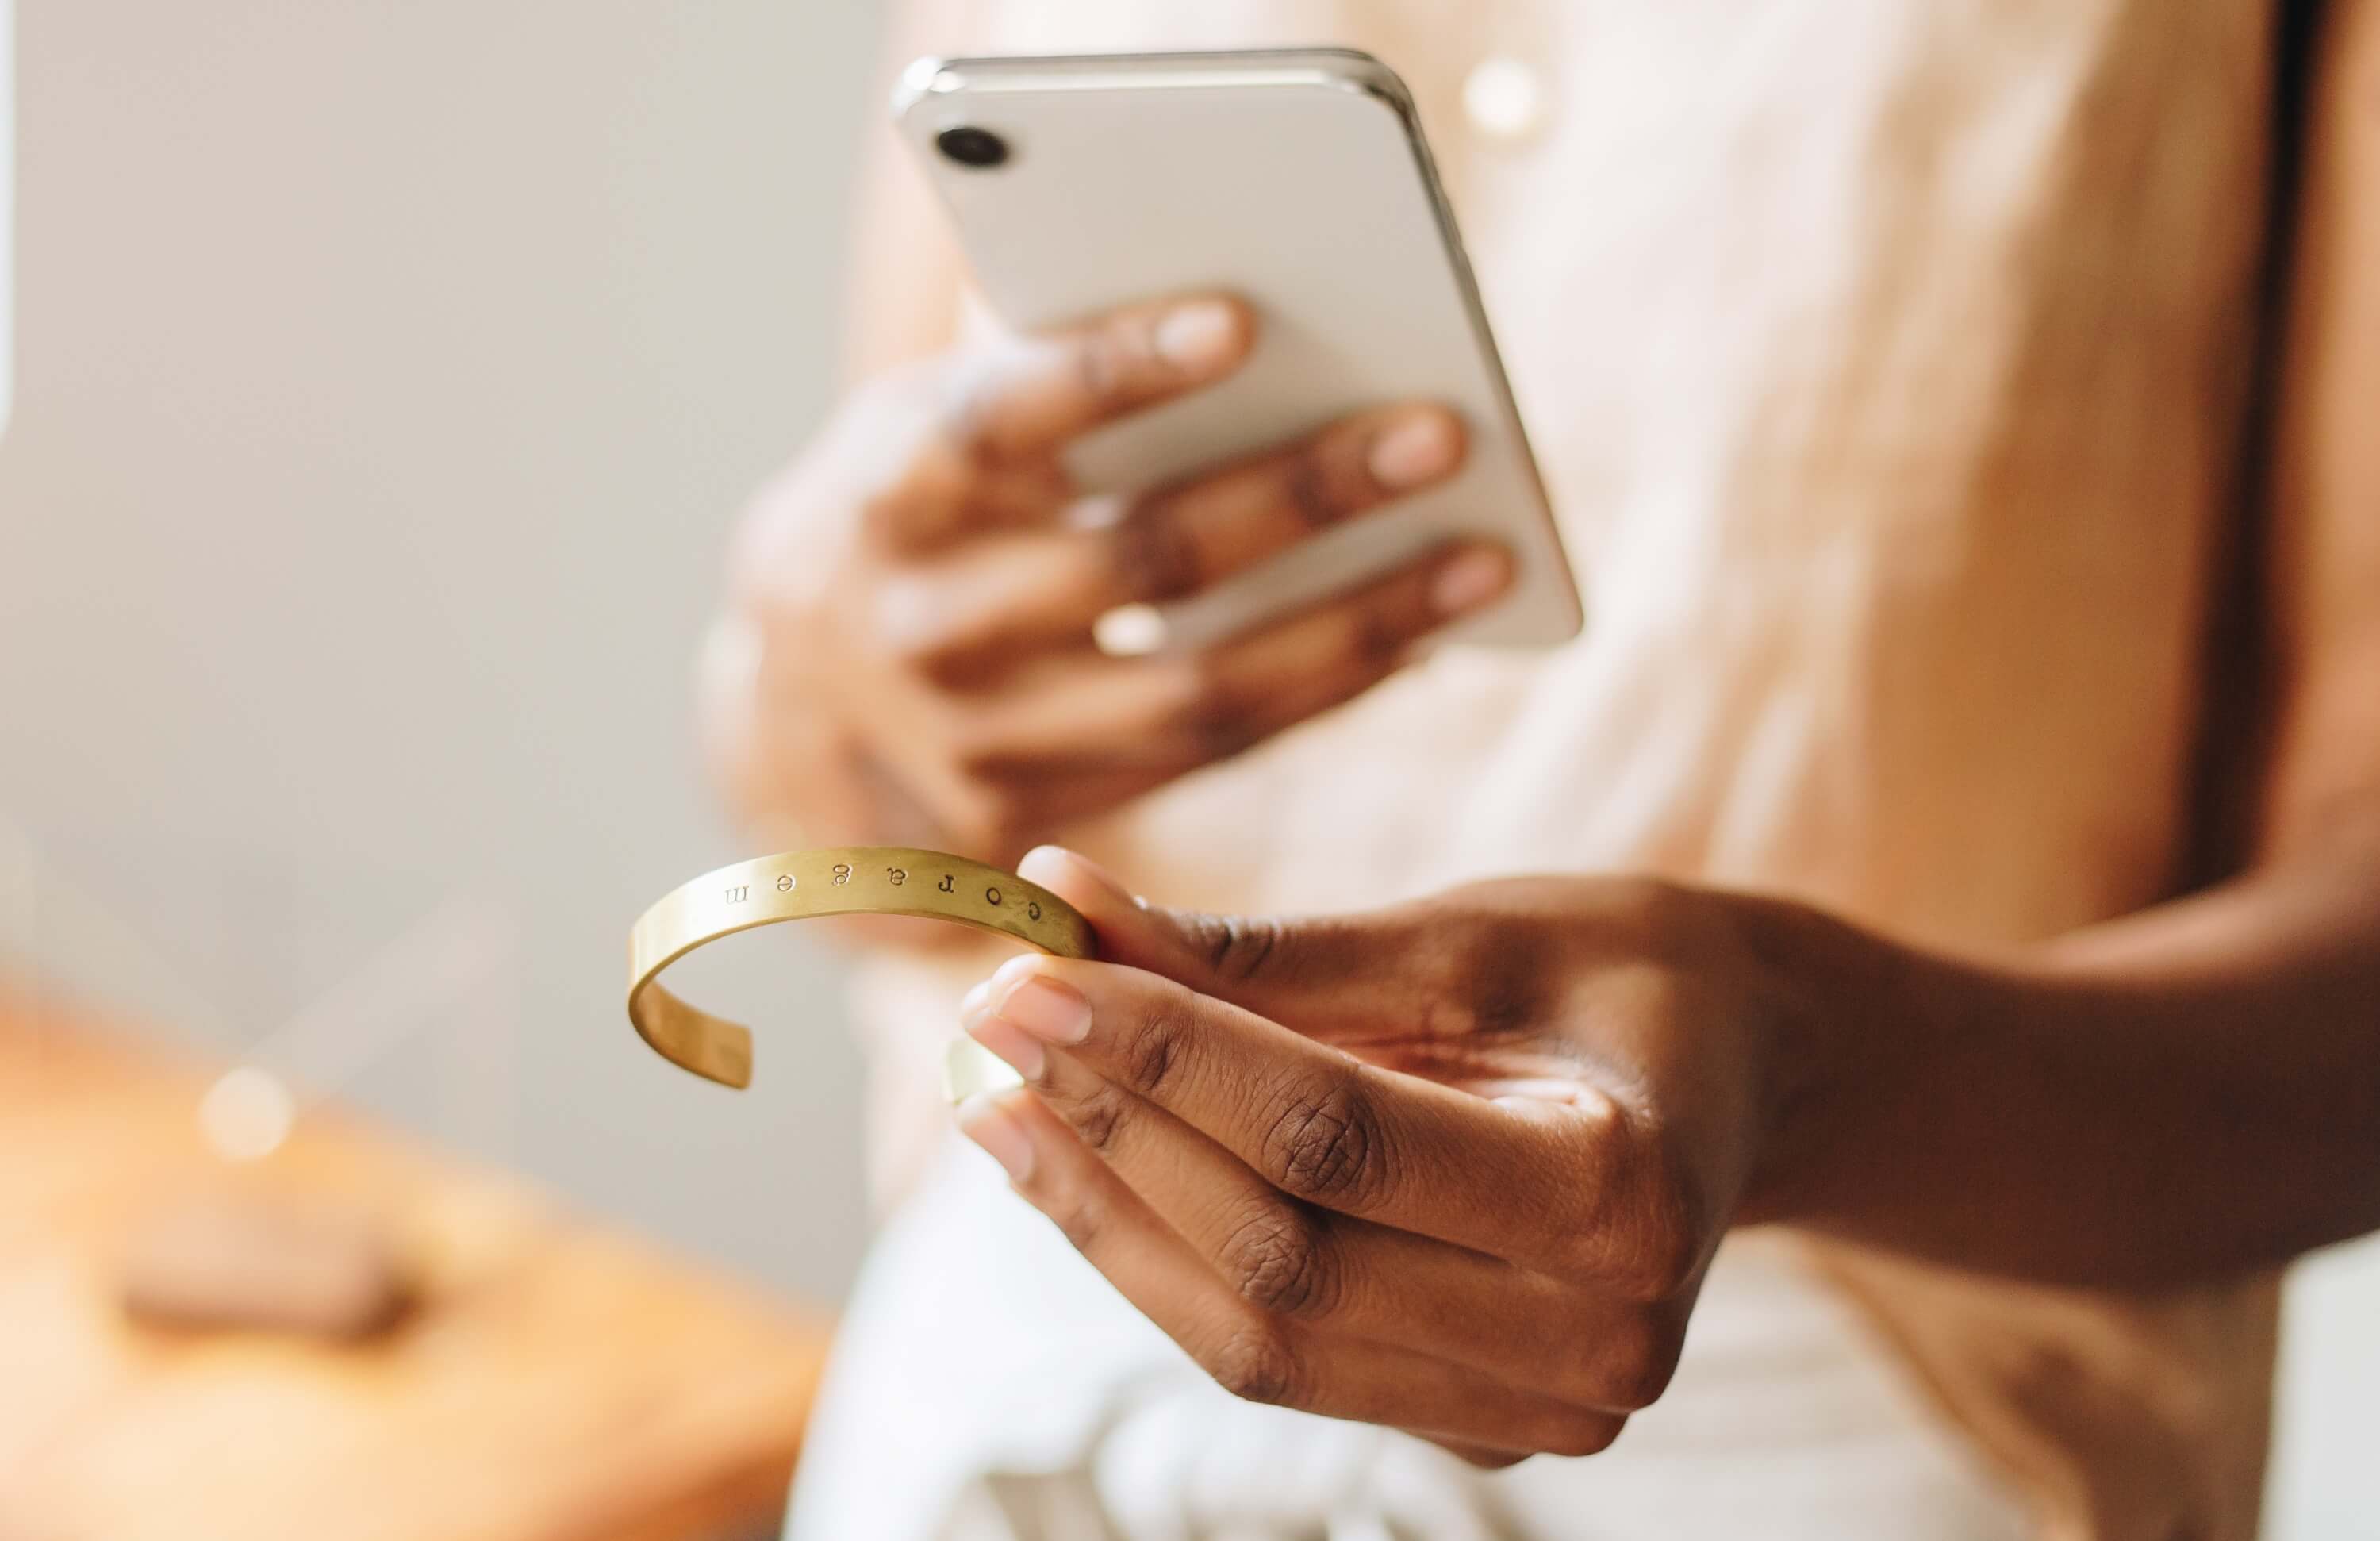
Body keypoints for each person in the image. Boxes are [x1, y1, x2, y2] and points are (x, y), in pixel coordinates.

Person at [700, 2, 2378, 1537]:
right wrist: (827, 710)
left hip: (1850, 1442)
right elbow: (854, 796)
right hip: (1000, 1376)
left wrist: (1806, 1065)